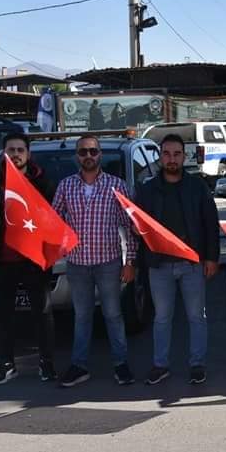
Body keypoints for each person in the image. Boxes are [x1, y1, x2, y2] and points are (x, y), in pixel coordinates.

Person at [0, 132, 57, 385]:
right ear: (4, 153)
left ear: (28, 154)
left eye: (20, 150)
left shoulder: (42, 181)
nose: (16, 154)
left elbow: (51, 215)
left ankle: (47, 364)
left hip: (33, 259)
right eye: (11, 150)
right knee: (3, 316)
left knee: (42, 313)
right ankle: (6, 364)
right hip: (2, 260)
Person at [52, 134, 138, 387]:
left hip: (108, 262)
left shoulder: (117, 186)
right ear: (76, 156)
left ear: (100, 154)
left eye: (93, 151)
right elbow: (53, 222)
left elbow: (130, 226)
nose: (88, 156)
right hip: (77, 264)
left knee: (113, 314)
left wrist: (130, 261)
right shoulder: (65, 186)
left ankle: (121, 364)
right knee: (82, 316)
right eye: (83, 152)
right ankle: (79, 366)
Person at [135, 134, 220, 386]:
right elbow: (139, 228)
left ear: (184, 156)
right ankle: (160, 365)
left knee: (197, 316)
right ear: (160, 157)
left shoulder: (197, 187)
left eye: (176, 154)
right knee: (162, 317)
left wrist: (212, 258)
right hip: (159, 265)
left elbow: (210, 224)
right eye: (166, 154)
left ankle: (197, 365)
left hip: (191, 263)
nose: (171, 159)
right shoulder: (147, 190)